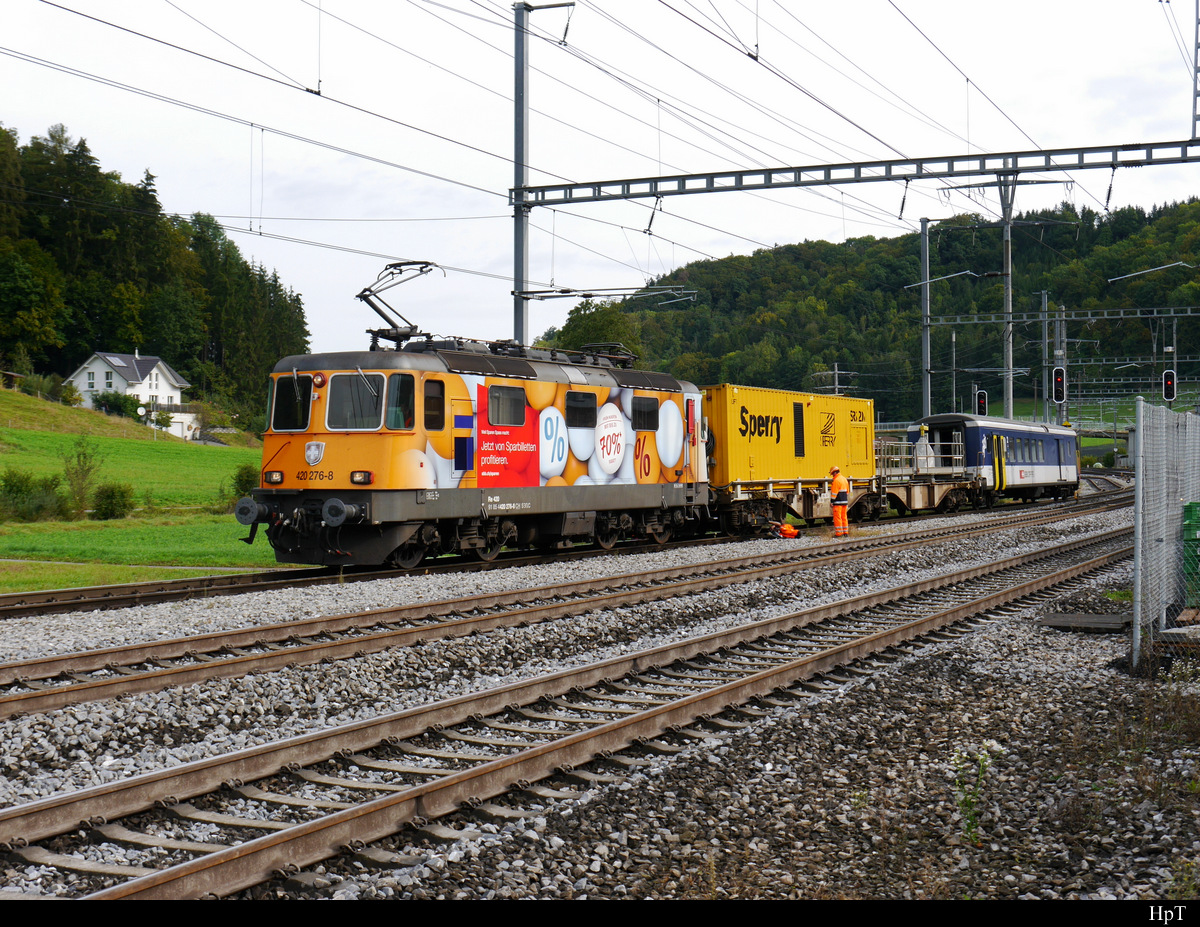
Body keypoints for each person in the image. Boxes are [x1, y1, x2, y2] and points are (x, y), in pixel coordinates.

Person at [830, 465, 850, 537]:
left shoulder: (836, 480)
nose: (832, 476)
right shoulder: (844, 479)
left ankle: (839, 533)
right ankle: (845, 533)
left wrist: (832, 501)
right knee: (844, 517)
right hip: (844, 502)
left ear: (834, 473)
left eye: (832, 474)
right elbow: (847, 492)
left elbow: (834, 493)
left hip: (838, 503)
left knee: (837, 518)